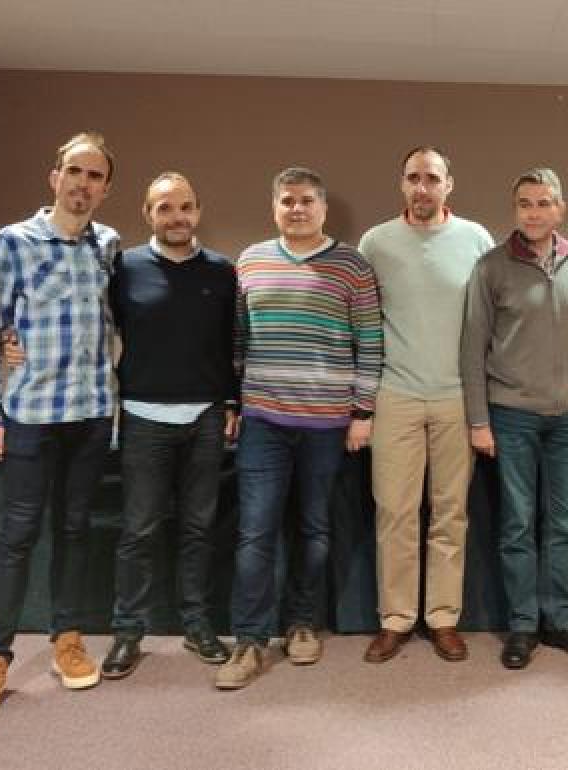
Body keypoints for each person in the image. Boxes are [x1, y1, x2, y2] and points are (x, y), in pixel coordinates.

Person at [0, 132, 120, 723]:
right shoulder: (13, 242)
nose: (83, 183)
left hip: (91, 414)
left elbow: (114, 320)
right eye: (74, 171)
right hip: (29, 416)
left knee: (74, 531)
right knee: (17, 535)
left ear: (106, 189)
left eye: (95, 175)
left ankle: (67, 639)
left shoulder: (109, 246)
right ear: (55, 177)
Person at [215, 167, 383, 689]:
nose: (297, 209)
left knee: (314, 530)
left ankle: (302, 623)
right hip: (263, 421)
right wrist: (232, 400)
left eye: (307, 200)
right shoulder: (250, 260)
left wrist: (362, 413)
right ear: (275, 208)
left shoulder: (352, 265)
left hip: (327, 425)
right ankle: (249, 639)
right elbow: (236, 340)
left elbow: (369, 340)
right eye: (287, 200)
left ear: (323, 209)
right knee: (255, 532)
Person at [357, 147, 494, 663]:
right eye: (413, 177)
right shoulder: (376, 242)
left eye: (432, 178)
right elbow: (363, 322)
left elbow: (488, 322)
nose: (422, 187)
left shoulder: (475, 239)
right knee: (395, 513)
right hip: (396, 395)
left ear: (448, 185)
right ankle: (395, 620)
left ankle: (442, 618)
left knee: (450, 514)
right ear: (402, 184)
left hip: (457, 397)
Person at [460, 168, 568, 670]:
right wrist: (478, 421)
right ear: (515, 210)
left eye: (544, 203)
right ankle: (522, 625)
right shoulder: (491, 267)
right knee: (517, 525)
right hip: (511, 417)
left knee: (564, 525)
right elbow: (472, 348)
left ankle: (560, 620)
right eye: (525, 204)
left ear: (560, 209)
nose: (534, 212)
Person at [99, 173, 238, 677]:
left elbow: (232, 343)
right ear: (147, 213)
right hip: (142, 417)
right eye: (164, 208)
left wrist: (232, 401)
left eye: (184, 207)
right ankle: (127, 632)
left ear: (197, 211)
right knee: (138, 530)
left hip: (205, 418)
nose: (176, 216)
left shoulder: (223, 272)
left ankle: (197, 625)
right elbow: (94, 326)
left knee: (199, 529)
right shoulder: (124, 268)